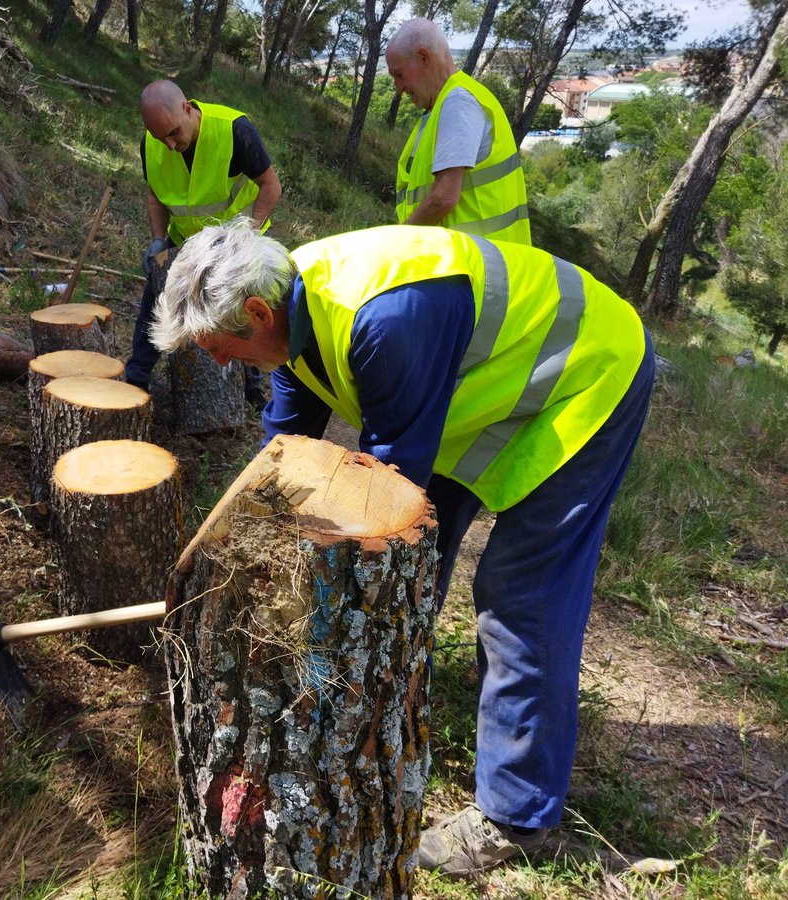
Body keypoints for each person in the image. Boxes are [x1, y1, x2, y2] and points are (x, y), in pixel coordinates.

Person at [150, 219, 654, 877]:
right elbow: (287, 452)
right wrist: (241, 548)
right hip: (483, 390)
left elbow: (389, 495)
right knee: (422, 557)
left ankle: (515, 814)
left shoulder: (381, 321)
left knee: (519, 598)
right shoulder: (291, 302)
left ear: (256, 312)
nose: (218, 364)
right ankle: (381, 702)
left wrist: (317, 589)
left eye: (220, 347)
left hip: (584, 377)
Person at [125, 79, 282, 400]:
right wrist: (158, 240)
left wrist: (247, 237)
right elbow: (156, 196)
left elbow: (270, 185)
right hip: (183, 241)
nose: (168, 144)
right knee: (155, 302)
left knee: (242, 316)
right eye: (160, 137)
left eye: (172, 133)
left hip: (233, 246)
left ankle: (252, 389)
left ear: (187, 108)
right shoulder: (152, 143)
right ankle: (136, 377)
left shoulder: (234, 130)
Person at [385, 18, 531, 245]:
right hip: (471, 261)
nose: (398, 88)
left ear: (424, 57)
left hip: (475, 267)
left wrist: (397, 243)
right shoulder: (444, 104)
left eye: (400, 75)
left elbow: (444, 198)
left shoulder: (458, 102)